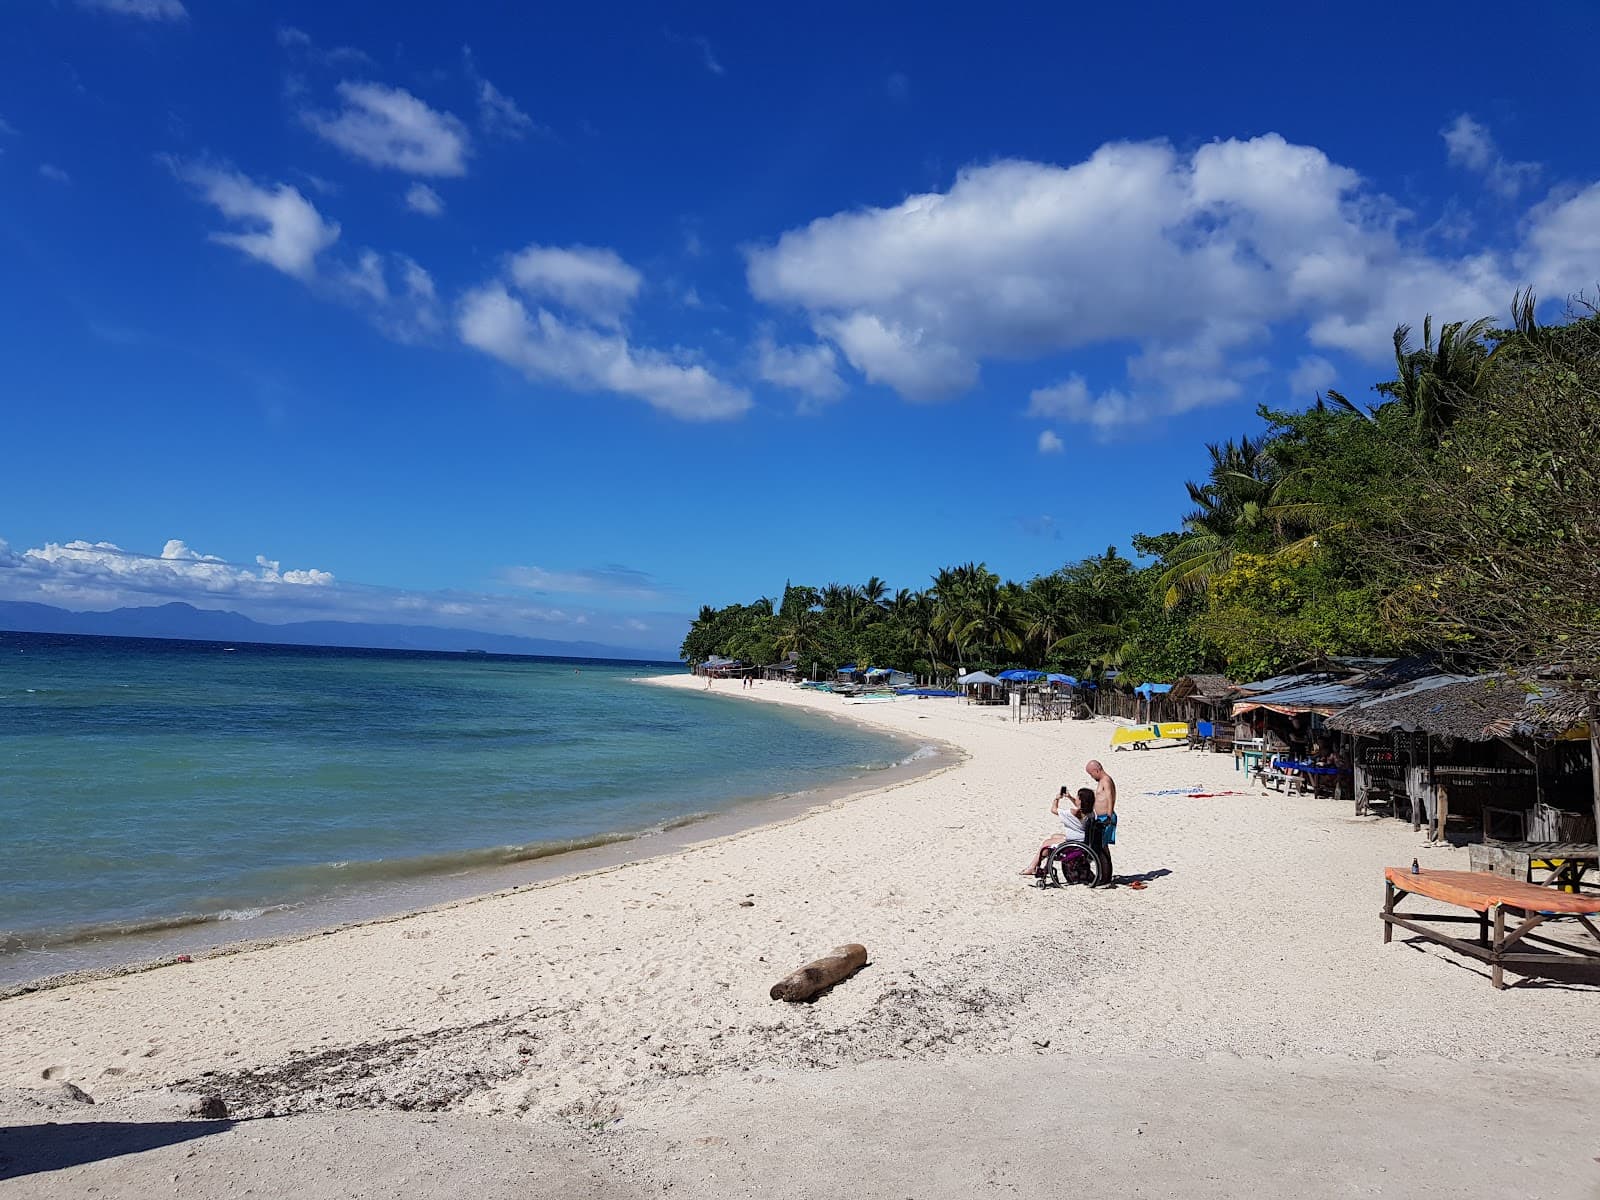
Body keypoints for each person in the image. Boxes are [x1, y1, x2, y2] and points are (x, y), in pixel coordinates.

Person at [1019, 785, 1090, 877]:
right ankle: (1047, 867)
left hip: (1075, 843)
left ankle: (1032, 867)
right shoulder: (1090, 812)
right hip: (1083, 839)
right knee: (1054, 836)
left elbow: (1053, 810)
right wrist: (1070, 797)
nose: (1076, 798)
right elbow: (1080, 806)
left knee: (1046, 843)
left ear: (1080, 800)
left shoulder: (1073, 813)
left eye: (1077, 797)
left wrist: (1057, 799)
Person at [1084, 760, 1117, 884]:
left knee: (1103, 848)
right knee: (1101, 847)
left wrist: (1109, 815)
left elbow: (1110, 797)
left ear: (1096, 770)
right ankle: (1105, 876)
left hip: (1106, 817)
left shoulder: (1106, 780)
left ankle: (1106, 878)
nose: (1091, 777)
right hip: (1101, 817)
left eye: (1091, 774)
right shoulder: (1102, 781)